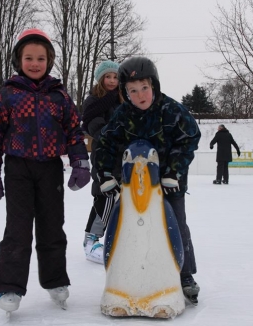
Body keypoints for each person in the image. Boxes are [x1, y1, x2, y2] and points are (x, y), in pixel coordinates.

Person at [0, 28, 90, 313]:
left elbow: (74, 132)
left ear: (49, 61)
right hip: (18, 168)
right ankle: (9, 286)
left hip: (50, 169)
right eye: (29, 57)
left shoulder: (60, 96)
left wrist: (80, 162)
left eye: (40, 58)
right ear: (19, 60)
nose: (34, 63)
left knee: (52, 227)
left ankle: (55, 281)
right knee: (17, 230)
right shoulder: (8, 95)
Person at [94, 56, 202, 304]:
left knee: (176, 225)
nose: (140, 95)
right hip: (135, 186)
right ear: (125, 92)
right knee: (130, 227)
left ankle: (184, 274)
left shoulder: (172, 110)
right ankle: (129, 275)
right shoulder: (122, 115)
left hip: (168, 184)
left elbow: (190, 137)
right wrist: (105, 174)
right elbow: (106, 143)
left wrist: (173, 172)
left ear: (154, 86)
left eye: (144, 88)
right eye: (133, 90)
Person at [81, 60, 123, 264]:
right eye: (108, 77)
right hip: (103, 155)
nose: (112, 81)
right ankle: (91, 240)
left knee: (121, 199)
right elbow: (92, 125)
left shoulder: (123, 99)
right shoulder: (94, 101)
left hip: (122, 157)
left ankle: (116, 239)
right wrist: (112, 134)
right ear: (101, 79)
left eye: (115, 77)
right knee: (105, 196)